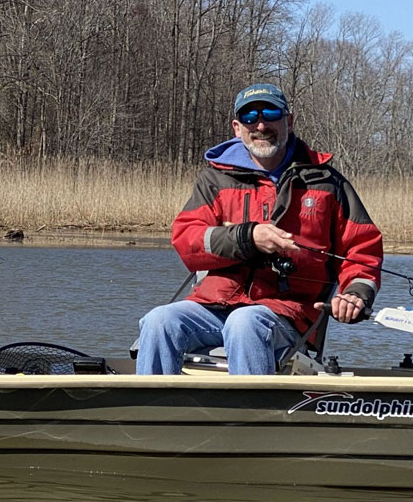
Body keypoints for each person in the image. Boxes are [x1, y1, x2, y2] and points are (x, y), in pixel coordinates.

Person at [135, 83, 383, 375]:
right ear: (238, 127)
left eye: (271, 113)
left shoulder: (328, 182)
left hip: (288, 313)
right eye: (250, 118)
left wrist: (355, 293)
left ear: (288, 121)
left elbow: (362, 250)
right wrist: (246, 237)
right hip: (213, 305)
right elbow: (187, 239)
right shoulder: (215, 179)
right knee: (158, 321)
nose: (261, 125)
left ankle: (252, 416)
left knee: (246, 323)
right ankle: (151, 413)